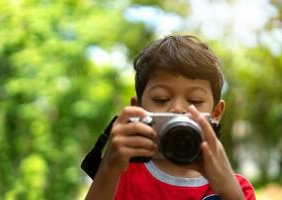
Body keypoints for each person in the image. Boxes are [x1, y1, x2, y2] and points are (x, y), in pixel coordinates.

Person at [83, 35, 256, 200]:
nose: (178, 109)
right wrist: (109, 167)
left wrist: (229, 192)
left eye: (195, 100)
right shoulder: (118, 176)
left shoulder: (236, 189)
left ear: (216, 113)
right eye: (161, 99)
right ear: (138, 109)